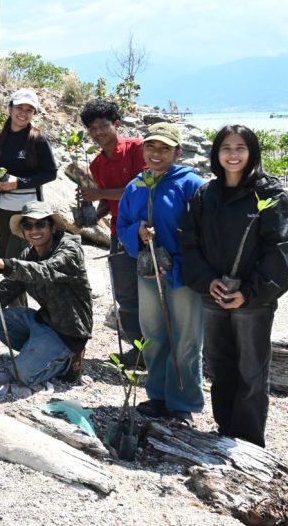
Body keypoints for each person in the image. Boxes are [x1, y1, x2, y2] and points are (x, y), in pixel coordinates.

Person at [180, 125, 288, 446]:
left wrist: (251, 291)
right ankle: (225, 429)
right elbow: (189, 243)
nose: (233, 154)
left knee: (252, 370)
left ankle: (247, 438)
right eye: (226, 148)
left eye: (240, 147)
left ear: (252, 152)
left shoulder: (268, 195)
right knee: (220, 365)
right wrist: (207, 281)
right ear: (216, 154)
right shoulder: (206, 194)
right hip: (214, 293)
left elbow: (281, 248)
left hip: (253, 299)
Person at [117, 122, 205, 425]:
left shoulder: (191, 185)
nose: (157, 153)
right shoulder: (136, 185)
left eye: (165, 148)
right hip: (148, 272)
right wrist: (136, 232)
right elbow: (122, 226)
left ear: (177, 152)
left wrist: (184, 264)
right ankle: (157, 396)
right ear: (143, 149)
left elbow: (206, 231)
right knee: (153, 334)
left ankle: (183, 403)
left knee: (186, 338)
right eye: (151, 146)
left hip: (183, 275)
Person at [0, 201, 93, 392]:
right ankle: (37, 351)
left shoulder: (69, 250)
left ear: (52, 226)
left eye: (40, 224)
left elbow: (45, 270)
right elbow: (8, 288)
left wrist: (4, 264)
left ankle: (67, 362)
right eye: (28, 225)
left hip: (68, 332)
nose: (34, 230)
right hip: (43, 321)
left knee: (21, 376)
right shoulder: (29, 253)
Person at [78, 98, 147, 354]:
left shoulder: (137, 149)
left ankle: (160, 349)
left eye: (103, 126)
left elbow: (141, 190)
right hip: (119, 232)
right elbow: (107, 201)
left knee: (154, 291)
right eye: (92, 129)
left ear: (117, 124)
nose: (98, 133)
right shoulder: (96, 164)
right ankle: (138, 351)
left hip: (148, 231)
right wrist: (93, 216)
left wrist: (98, 193)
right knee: (125, 294)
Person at [0, 88, 57, 260]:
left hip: (29, 211)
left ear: (34, 113)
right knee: (4, 257)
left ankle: (24, 288)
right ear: (10, 109)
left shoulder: (38, 139)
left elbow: (50, 173)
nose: (23, 113)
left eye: (29, 110)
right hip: (2, 211)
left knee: (23, 258)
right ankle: (9, 287)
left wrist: (18, 183)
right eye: (19, 108)